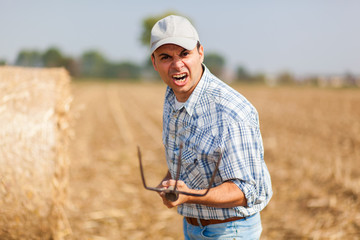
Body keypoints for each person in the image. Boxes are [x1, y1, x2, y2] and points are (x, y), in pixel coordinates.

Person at [150, 15, 272, 240]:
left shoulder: (230, 112)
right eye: (166, 57)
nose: (177, 65)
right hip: (193, 228)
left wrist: (190, 195)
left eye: (184, 54)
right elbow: (188, 156)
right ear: (154, 62)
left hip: (230, 231)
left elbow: (247, 191)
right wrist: (171, 182)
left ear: (200, 52)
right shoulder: (173, 97)